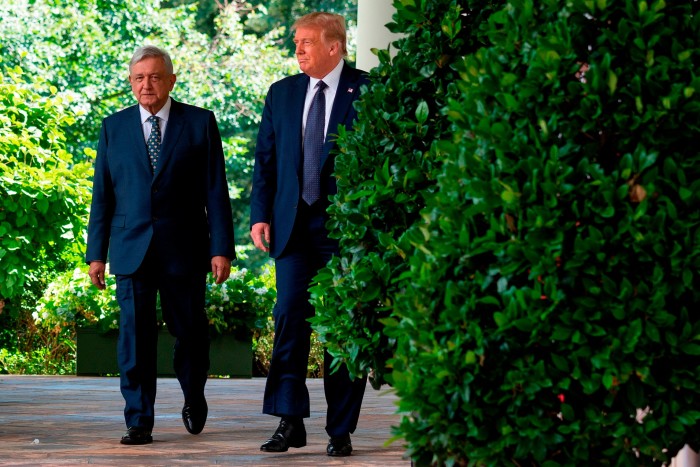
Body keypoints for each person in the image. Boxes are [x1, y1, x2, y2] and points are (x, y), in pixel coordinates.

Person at [86, 45, 235, 445]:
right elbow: (103, 196)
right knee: (134, 337)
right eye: (139, 77)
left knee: (189, 332)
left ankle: (193, 394)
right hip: (131, 249)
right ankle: (138, 420)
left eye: (154, 76)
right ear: (131, 82)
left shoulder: (200, 123)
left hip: (184, 249)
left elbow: (216, 190)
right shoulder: (112, 128)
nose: (146, 85)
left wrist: (221, 248)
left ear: (171, 79)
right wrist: (96, 253)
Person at [250, 12, 368, 457]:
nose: (297, 50)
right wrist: (260, 214)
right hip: (293, 227)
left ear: (334, 47)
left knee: (342, 328)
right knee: (288, 319)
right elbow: (266, 160)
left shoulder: (368, 90)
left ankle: (340, 430)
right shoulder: (281, 93)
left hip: (346, 231)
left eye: (305, 42)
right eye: (296, 42)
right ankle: (289, 421)